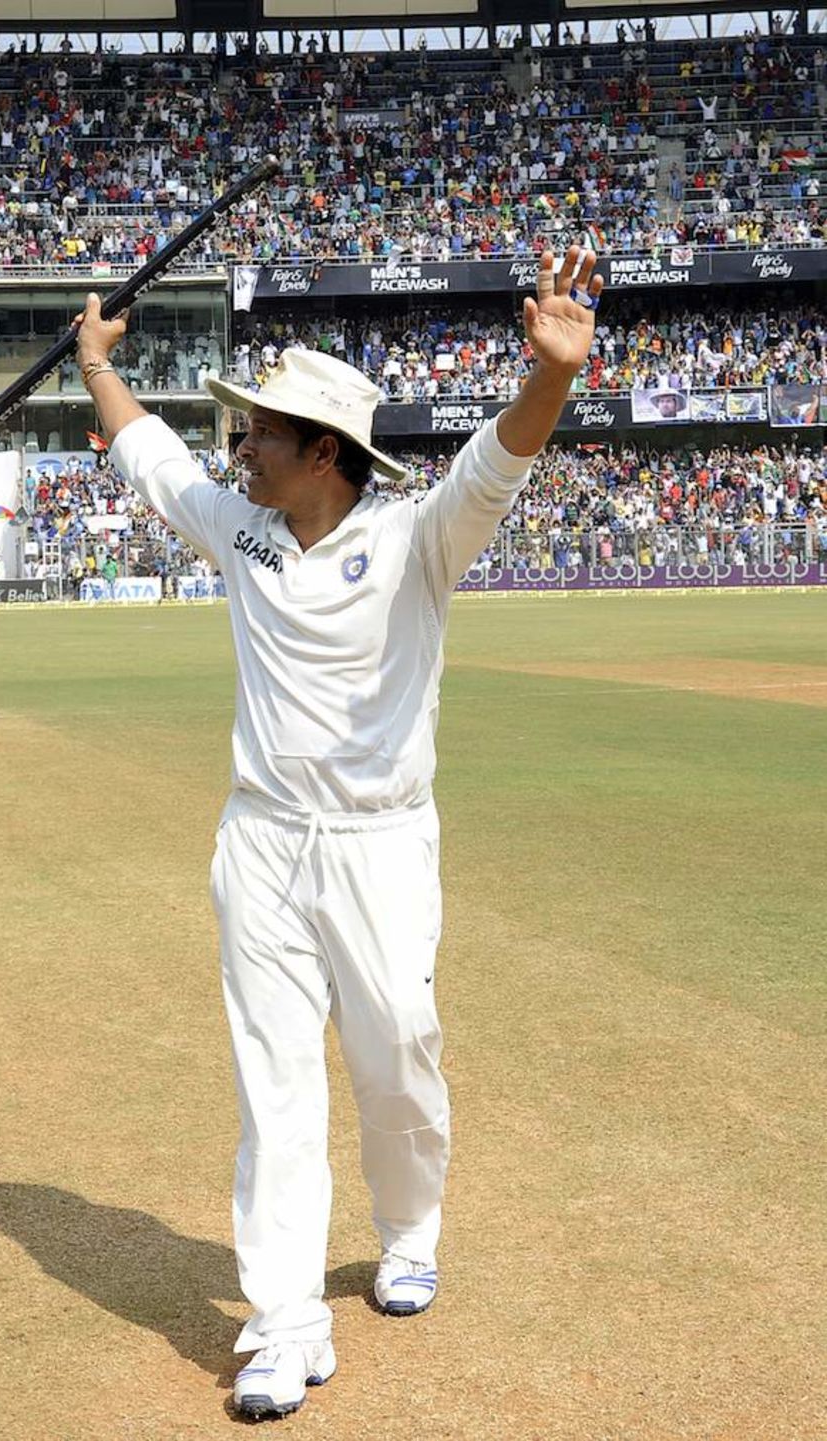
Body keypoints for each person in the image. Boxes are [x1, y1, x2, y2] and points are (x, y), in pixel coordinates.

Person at [73, 245, 604, 1422]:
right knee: (273, 1086)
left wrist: (550, 377)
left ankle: (407, 1231)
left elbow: (495, 466)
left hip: (379, 846)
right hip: (260, 841)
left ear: (323, 452)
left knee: (397, 1052)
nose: (235, 448)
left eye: (257, 432)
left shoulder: (419, 539)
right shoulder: (236, 525)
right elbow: (148, 453)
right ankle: (282, 1324)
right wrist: (95, 364)